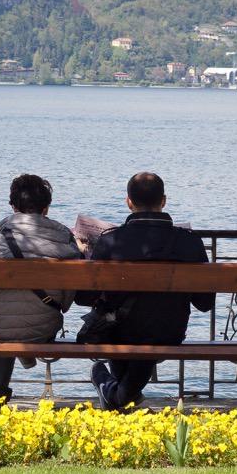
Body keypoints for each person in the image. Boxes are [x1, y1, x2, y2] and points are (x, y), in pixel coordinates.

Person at [77, 172, 214, 410]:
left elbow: (84, 297)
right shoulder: (190, 242)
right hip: (169, 333)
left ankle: (113, 392)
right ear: (163, 201)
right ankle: (118, 395)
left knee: (124, 324)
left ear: (129, 202)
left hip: (118, 330)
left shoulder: (111, 241)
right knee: (147, 324)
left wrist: (84, 254)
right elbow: (204, 303)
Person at [0, 174, 81, 405]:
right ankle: (24, 357)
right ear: (46, 208)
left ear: (12, 206)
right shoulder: (64, 237)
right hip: (42, 328)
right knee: (16, 320)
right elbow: (67, 302)